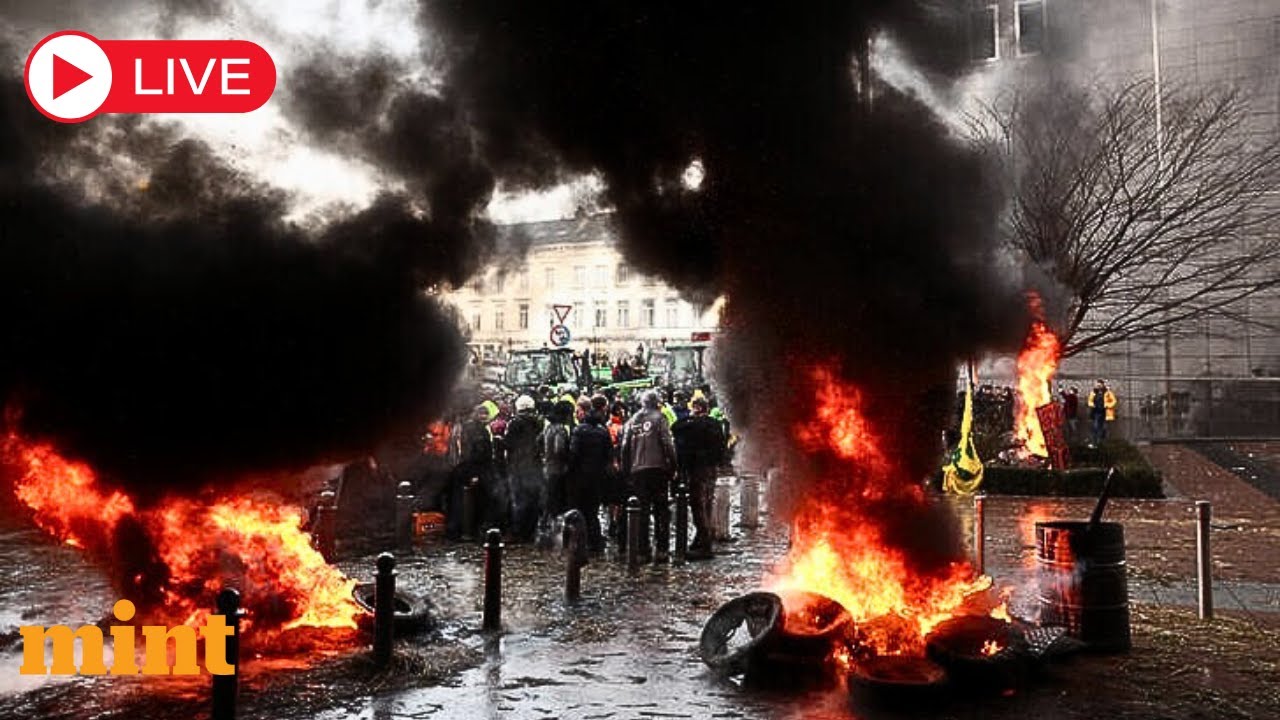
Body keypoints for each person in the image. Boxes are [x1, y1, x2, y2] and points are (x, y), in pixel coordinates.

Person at [620, 390, 677, 562]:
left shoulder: (632, 421)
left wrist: (627, 470)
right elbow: (668, 444)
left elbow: (624, 448)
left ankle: (642, 550)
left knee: (641, 511)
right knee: (661, 510)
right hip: (658, 470)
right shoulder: (660, 419)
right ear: (657, 402)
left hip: (637, 471)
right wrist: (673, 466)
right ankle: (662, 549)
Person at [671, 396, 725, 560]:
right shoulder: (715, 424)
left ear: (698, 408)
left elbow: (675, 427)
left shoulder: (695, 424)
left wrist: (691, 417)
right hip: (711, 469)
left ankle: (705, 544)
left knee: (698, 505)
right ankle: (701, 539)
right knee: (706, 504)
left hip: (698, 469)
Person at [567, 401, 612, 551]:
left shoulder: (579, 431)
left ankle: (581, 541)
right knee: (593, 510)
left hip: (580, 476)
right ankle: (595, 540)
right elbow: (609, 455)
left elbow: (573, 454)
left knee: (580, 508)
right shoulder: (603, 430)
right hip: (597, 476)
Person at [505, 395, 545, 542]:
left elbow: (508, 443)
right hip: (535, 465)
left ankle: (518, 532)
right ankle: (531, 531)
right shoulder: (539, 422)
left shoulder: (514, 423)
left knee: (519, 500)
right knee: (533, 499)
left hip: (518, 466)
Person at [539, 400, 574, 545]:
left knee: (549, 500)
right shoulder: (560, 429)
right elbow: (559, 449)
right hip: (558, 469)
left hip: (548, 467)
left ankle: (545, 526)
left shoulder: (548, 428)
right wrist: (569, 456)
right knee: (557, 500)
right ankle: (554, 529)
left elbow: (538, 441)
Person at [1087, 380, 1117, 446]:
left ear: (1103, 385)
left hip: (1105, 413)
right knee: (1095, 427)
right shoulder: (1093, 392)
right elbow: (1089, 401)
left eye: (1100, 385)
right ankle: (1095, 442)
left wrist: (1107, 405)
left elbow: (1114, 401)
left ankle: (1104, 443)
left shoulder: (1108, 392)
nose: (1098, 386)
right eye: (1097, 385)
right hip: (1096, 412)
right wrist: (1092, 404)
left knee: (1104, 428)